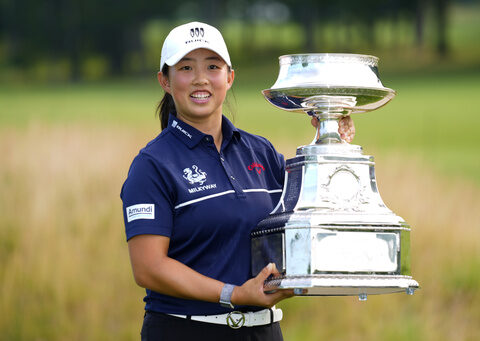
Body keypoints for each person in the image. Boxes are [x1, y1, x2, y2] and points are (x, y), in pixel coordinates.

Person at [121, 21, 354, 341]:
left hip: (263, 331)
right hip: (184, 331)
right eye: (186, 67)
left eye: (212, 66)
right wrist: (235, 294)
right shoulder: (152, 166)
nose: (201, 78)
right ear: (165, 80)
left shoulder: (262, 152)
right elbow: (148, 268)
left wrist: (330, 145)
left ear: (229, 77)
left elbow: (310, 212)